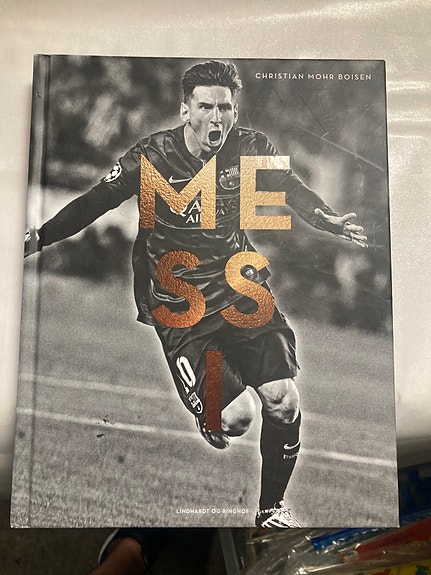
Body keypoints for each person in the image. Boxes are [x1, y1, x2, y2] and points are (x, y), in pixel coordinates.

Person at [25, 60, 366, 528]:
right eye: (205, 106)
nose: (216, 117)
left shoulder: (249, 149)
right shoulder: (152, 156)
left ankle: (271, 511)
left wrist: (324, 217)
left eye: (224, 108)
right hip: (180, 303)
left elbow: (289, 188)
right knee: (237, 418)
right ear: (186, 110)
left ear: (234, 111)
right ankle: (214, 404)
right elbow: (95, 201)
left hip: (240, 290)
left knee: (283, 399)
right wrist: (41, 237)